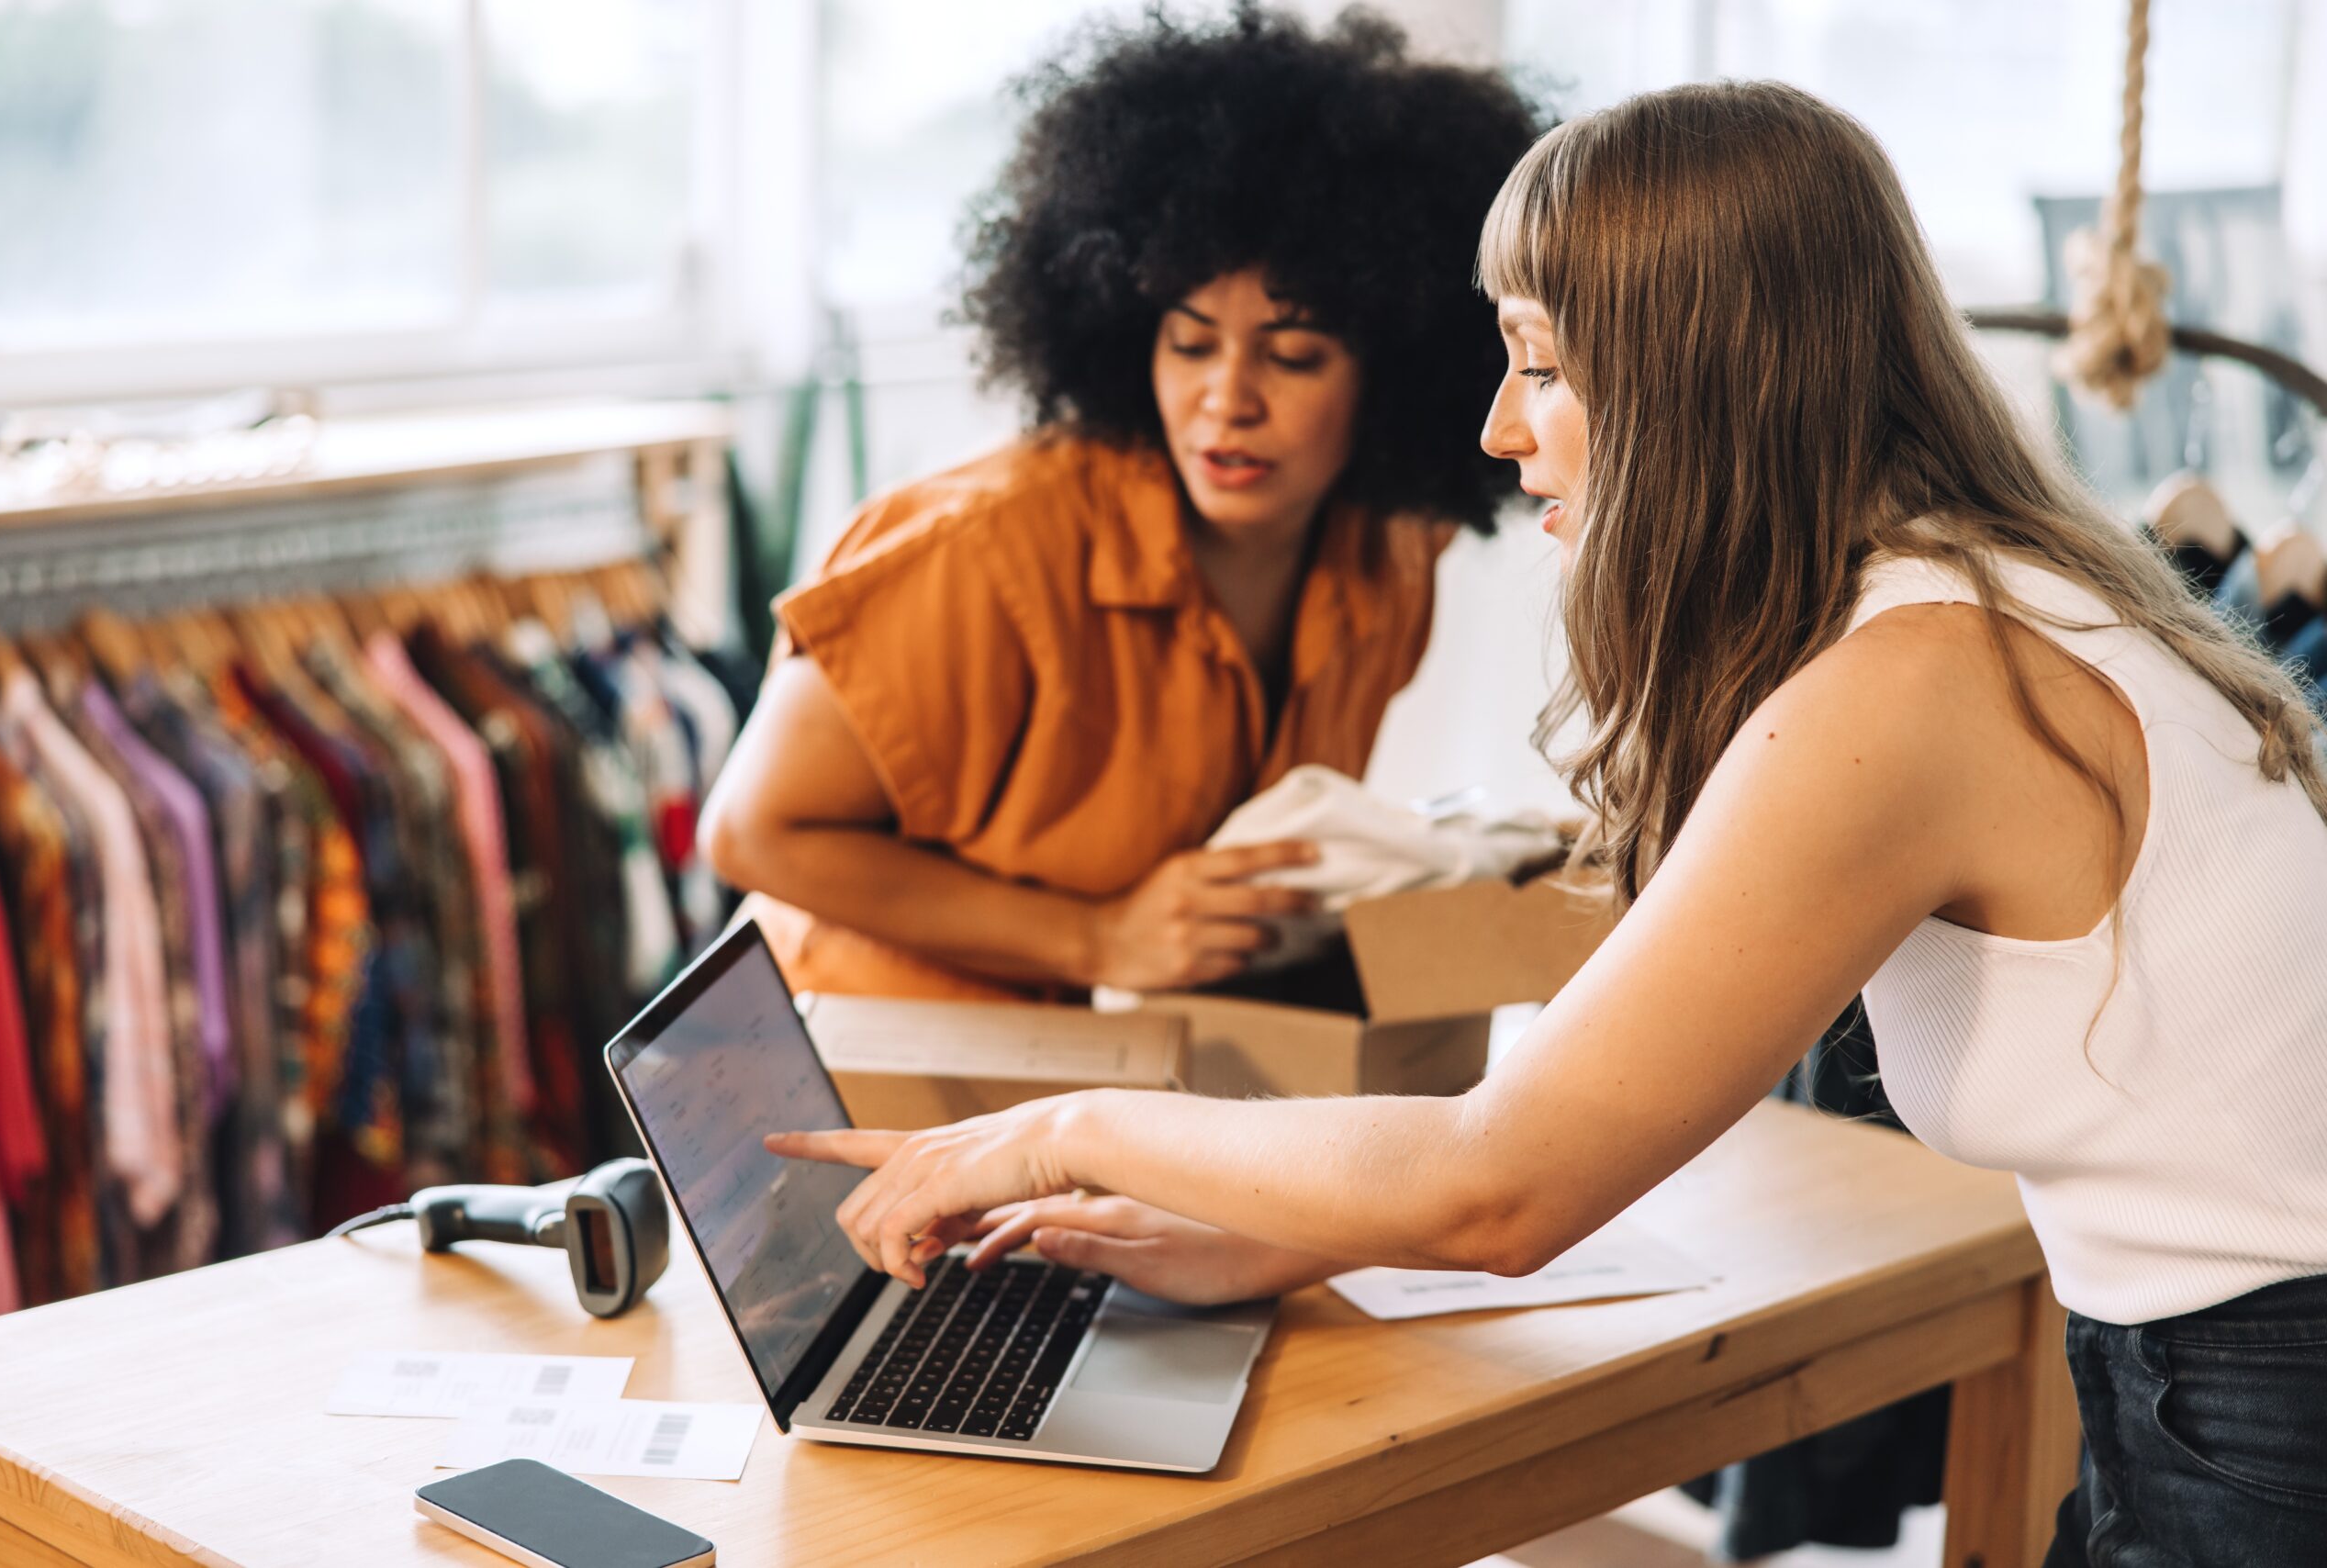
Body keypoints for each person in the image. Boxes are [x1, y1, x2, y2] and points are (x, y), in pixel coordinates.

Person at [769, 82, 2327, 1565]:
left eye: (1544, 363)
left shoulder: (1912, 684)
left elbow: (1500, 1185)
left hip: (2261, 1400)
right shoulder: (1985, 599)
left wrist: (1052, 1129)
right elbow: (1627, 1080)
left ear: (1699, 379)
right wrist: (1270, 1234)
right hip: (2207, 1368)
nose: (1506, 429)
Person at [699, 8, 1544, 1002]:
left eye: (1293, 354)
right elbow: (750, 831)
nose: (1225, 399)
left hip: (1091, 1076)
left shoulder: (1389, 555)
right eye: (1188, 344)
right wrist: (1095, 937)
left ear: (1396, 370)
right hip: (841, 1057)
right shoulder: (981, 550)